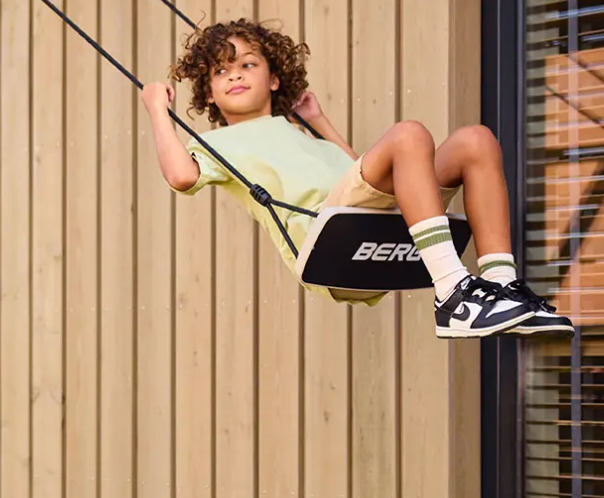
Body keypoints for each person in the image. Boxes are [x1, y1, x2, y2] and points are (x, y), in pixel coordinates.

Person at [141, 18, 572, 339]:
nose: (234, 74)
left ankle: (501, 285)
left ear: (274, 80)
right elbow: (181, 176)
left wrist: (318, 120)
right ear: (209, 93)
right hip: (329, 243)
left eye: (247, 64)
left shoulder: (298, 132)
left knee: (475, 141)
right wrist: (158, 110)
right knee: (409, 135)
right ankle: (453, 294)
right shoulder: (219, 144)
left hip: (372, 222)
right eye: (220, 71)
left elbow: (358, 170)